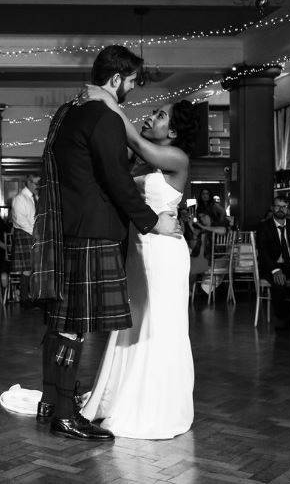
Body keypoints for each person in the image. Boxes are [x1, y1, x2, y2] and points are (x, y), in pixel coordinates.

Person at [30, 45, 180, 441]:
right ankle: (64, 414)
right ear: (116, 79)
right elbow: (115, 180)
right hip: (92, 231)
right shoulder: (103, 116)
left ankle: (53, 402)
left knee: (61, 323)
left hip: (68, 227)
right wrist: (153, 224)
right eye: (131, 81)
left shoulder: (68, 113)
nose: (132, 88)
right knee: (73, 327)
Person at [77, 82, 201, 439]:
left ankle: (154, 402)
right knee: (132, 322)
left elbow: (136, 141)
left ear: (173, 131)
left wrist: (110, 104)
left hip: (163, 254)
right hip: (138, 250)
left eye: (160, 115)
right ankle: (121, 393)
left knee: (158, 325)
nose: (151, 117)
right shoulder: (143, 161)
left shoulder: (177, 158)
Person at [256, 196, 290, 331]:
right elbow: (263, 252)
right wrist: (275, 270)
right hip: (271, 265)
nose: (281, 209)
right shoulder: (264, 226)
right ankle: (282, 319)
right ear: (272, 208)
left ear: (287, 209)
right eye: (277, 206)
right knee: (279, 283)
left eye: (284, 206)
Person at [10, 174, 40, 303]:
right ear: (28, 182)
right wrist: (35, 233)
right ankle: (24, 299)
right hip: (25, 234)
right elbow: (21, 220)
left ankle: (32, 297)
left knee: (35, 267)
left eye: (39, 183)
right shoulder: (20, 198)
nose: (38, 186)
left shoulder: (35, 197)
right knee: (27, 269)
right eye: (36, 183)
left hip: (34, 234)